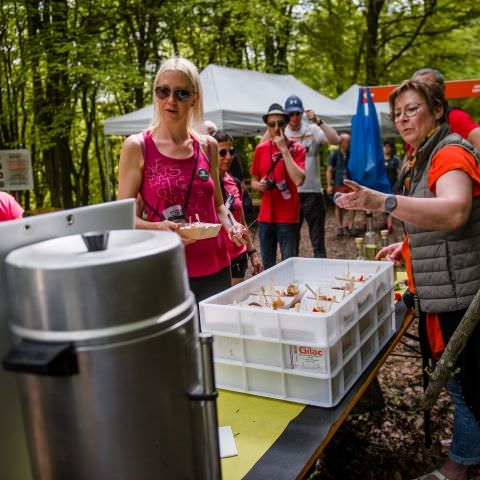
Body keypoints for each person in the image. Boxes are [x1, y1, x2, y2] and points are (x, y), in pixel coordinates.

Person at [335, 79, 480, 480]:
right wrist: (408, 247)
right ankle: (471, 442)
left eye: (412, 109)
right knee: (457, 376)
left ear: (437, 110)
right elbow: (436, 221)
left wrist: (382, 200)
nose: (402, 119)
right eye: (398, 113)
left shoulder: (449, 152)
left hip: (459, 292)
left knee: (463, 382)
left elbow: (454, 212)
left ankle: (460, 466)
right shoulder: (422, 154)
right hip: (443, 285)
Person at [118, 56, 247, 302]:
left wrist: (232, 225)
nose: (171, 100)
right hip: (168, 269)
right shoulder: (137, 147)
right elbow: (123, 219)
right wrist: (159, 228)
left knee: (215, 340)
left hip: (216, 266)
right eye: (163, 91)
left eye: (181, 94)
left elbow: (219, 205)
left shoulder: (208, 146)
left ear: (194, 98)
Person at [250, 103, 305, 270]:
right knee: (268, 267)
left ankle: (291, 295)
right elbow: (253, 179)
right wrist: (259, 186)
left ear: (286, 124)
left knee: (290, 265)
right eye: (271, 124)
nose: (276, 128)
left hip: (288, 217)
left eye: (280, 123)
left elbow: (299, 180)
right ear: (267, 126)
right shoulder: (261, 149)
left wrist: (284, 150)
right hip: (266, 217)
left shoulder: (297, 148)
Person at [284, 94, 340, 257]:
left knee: (318, 240)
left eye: (297, 113)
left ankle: (321, 272)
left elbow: (335, 140)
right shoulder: (282, 132)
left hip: (313, 192)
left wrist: (317, 120)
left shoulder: (312, 129)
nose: (294, 117)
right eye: (290, 114)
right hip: (291, 193)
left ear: (302, 113)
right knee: (291, 241)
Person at [214, 130, 263, 285]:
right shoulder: (203, 185)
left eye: (231, 151)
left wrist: (252, 252)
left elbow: (240, 221)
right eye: (222, 152)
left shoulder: (235, 183)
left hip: (237, 256)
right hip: (215, 259)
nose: (228, 156)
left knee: (233, 304)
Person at [412, 68, 480, 151]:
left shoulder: (454, 116)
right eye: (415, 88)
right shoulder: (413, 121)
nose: (421, 92)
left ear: (442, 88)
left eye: (427, 87)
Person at [326, 132, 357, 236]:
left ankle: (350, 226)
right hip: (338, 183)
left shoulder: (353, 154)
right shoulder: (334, 154)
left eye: (349, 141)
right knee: (338, 205)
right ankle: (340, 227)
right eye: (345, 141)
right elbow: (329, 170)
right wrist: (329, 184)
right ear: (340, 142)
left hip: (351, 183)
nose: (347, 144)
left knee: (352, 205)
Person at [383, 138, 402, 233]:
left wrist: (399, 184)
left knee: (389, 204)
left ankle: (389, 225)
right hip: (382, 186)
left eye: (388, 147)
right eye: (385, 146)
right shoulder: (379, 159)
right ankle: (384, 223)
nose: (386, 149)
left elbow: (399, 172)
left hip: (392, 185)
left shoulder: (395, 160)